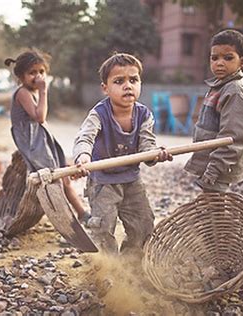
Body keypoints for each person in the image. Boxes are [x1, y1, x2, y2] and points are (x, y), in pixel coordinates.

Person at [72, 53, 172, 256]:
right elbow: (85, 138)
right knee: (103, 228)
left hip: (132, 181)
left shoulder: (144, 115)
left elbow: (147, 145)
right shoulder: (99, 114)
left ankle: (130, 265)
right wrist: (83, 156)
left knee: (143, 224)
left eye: (133, 80)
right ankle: (108, 268)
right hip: (103, 182)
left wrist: (154, 154)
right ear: (105, 88)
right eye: (119, 81)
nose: (128, 86)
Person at [4, 50, 89, 222]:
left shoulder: (33, 92)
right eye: (32, 73)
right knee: (53, 181)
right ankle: (66, 219)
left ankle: (81, 212)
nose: (38, 76)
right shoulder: (23, 93)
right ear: (21, 76)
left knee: (63, 178)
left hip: (42, 141)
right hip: (33, 145)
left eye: (41, 72)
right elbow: (40, 117)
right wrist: (44, 92)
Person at [184, 29, 243, 192]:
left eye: (228, 58)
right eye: (214, 58)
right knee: (209, 209)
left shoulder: (234, 91)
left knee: (216, 210)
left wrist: (214, 169)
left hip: (219, 168)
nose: (219, 63)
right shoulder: (219, 86)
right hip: (209, 163)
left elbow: (232, 138)